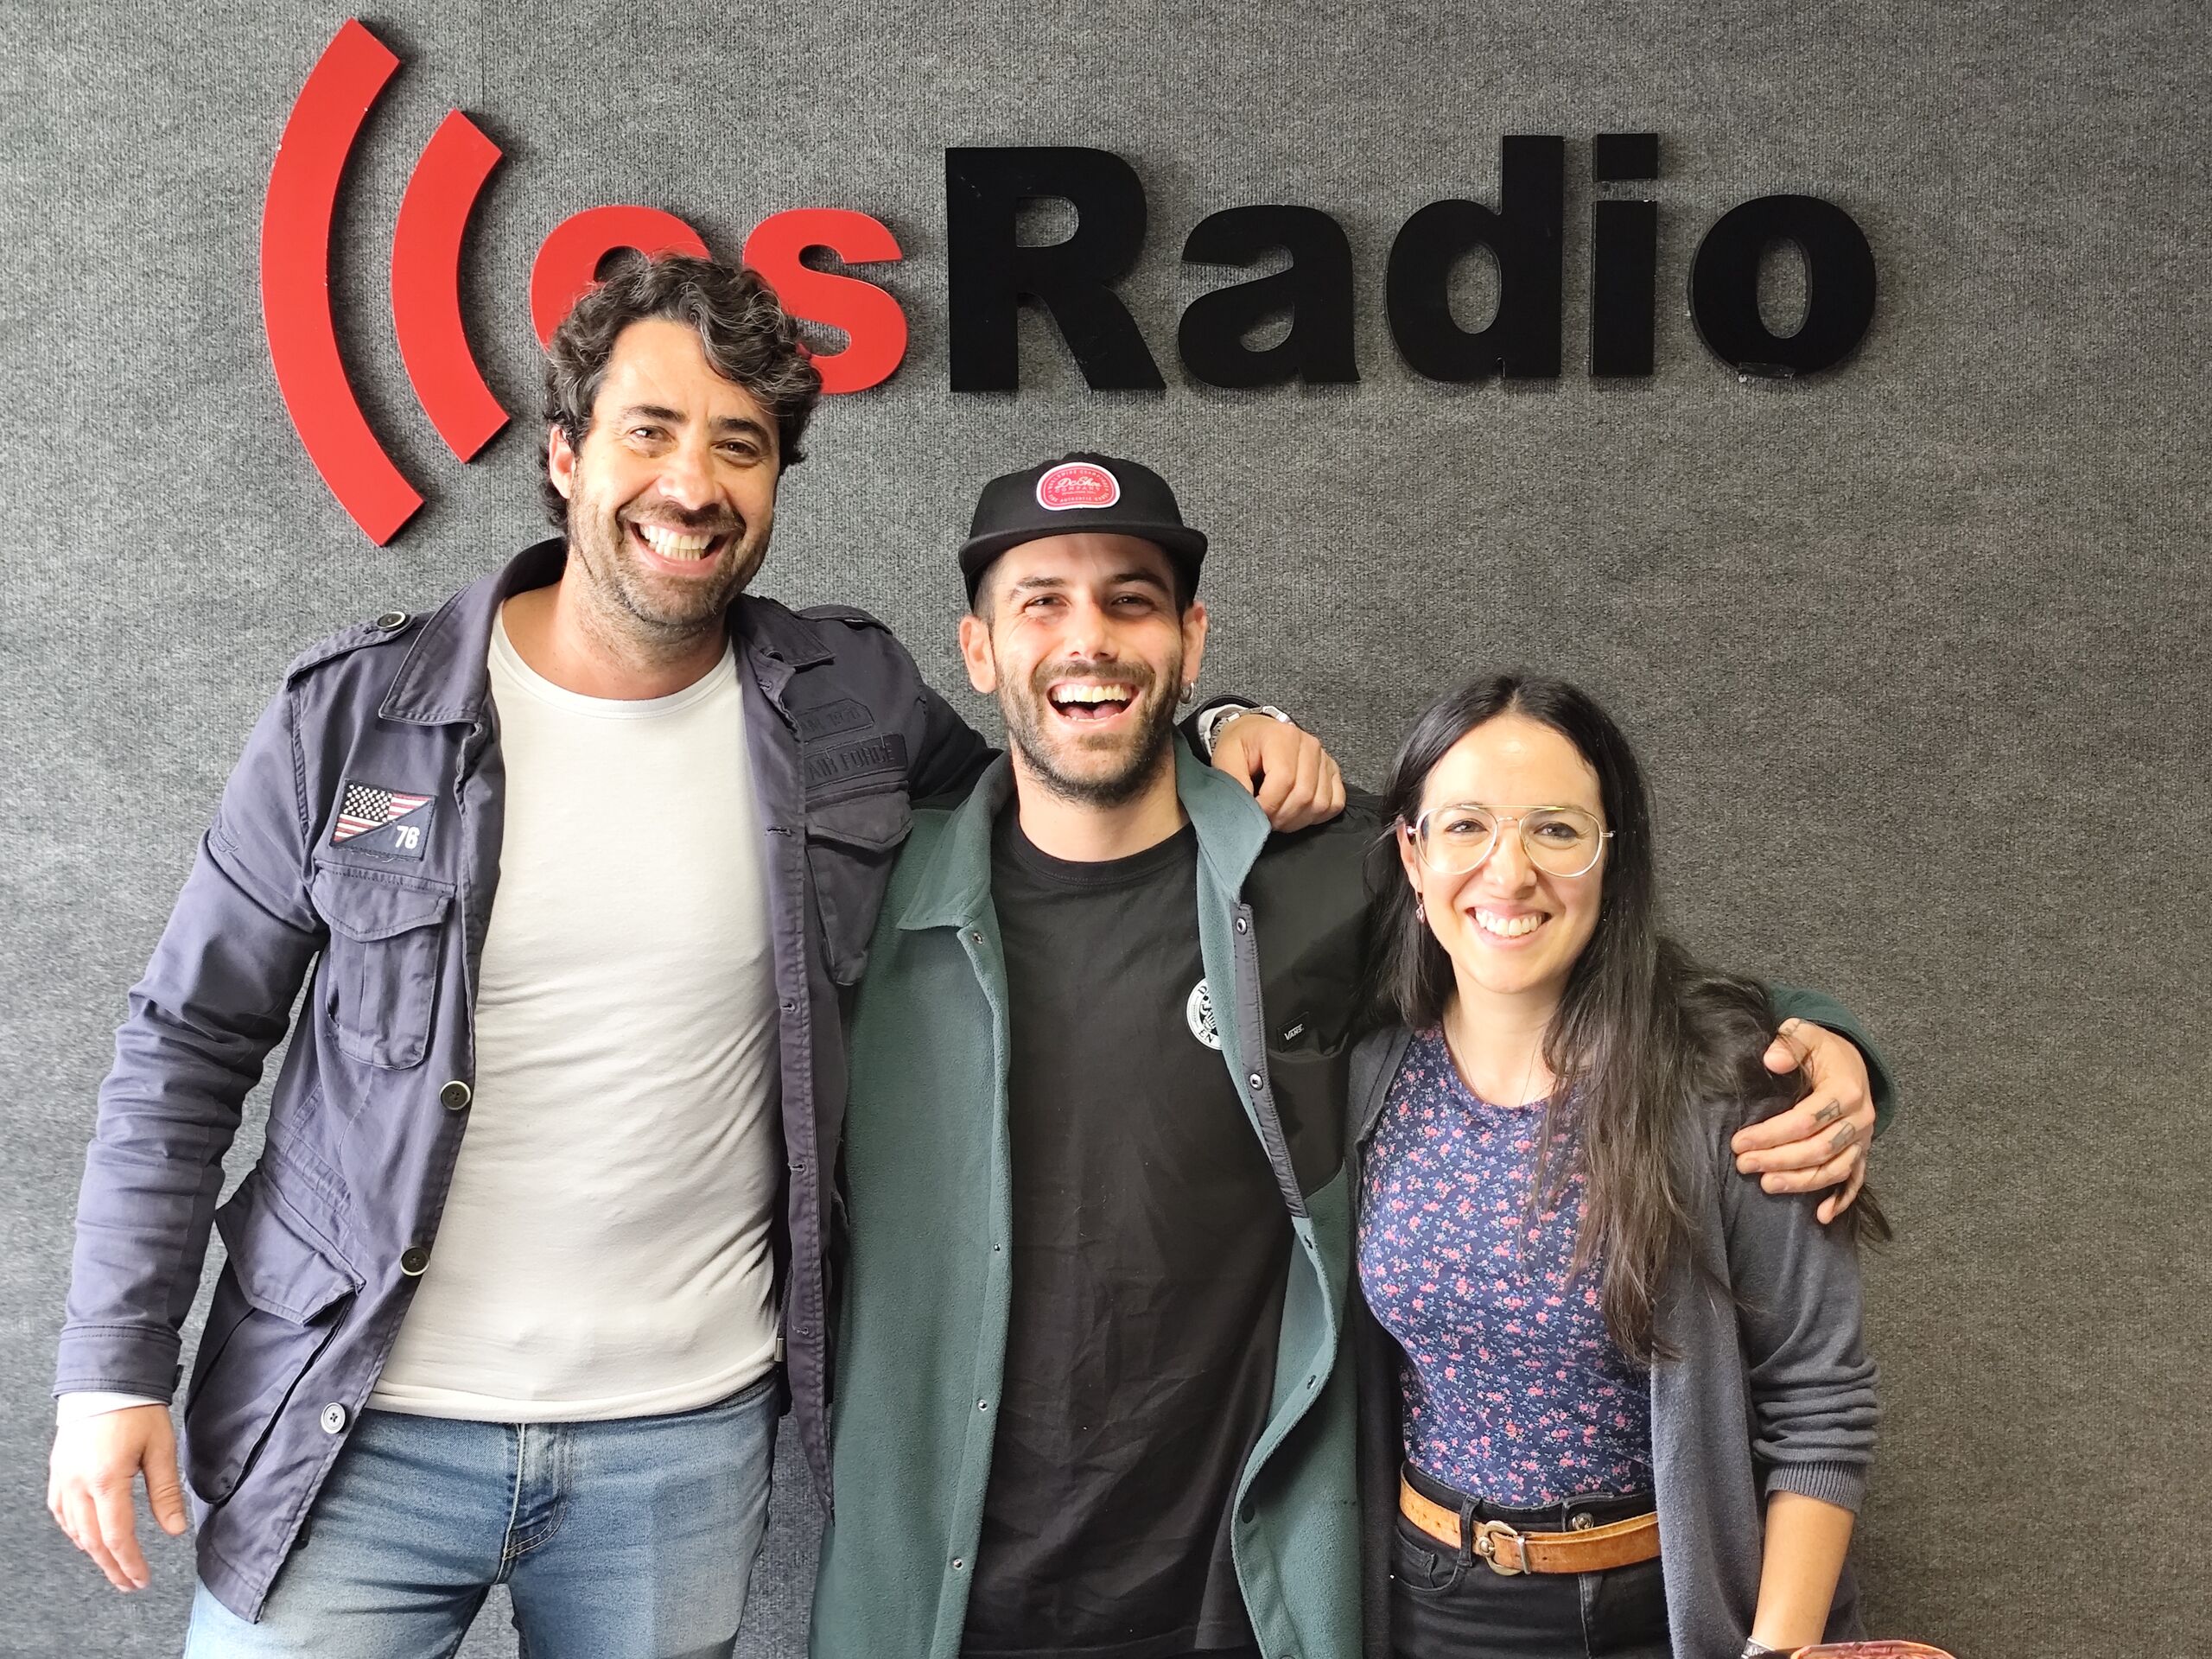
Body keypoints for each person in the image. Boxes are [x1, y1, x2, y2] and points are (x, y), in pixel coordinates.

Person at [42, 257, 1338, 1658]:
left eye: (740, 445)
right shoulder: (361, 717)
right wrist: (113, 1369)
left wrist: (1221, 731)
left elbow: (1053, 787)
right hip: (355, 1426)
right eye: (650, 431)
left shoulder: (848, 705)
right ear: (566, 455)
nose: (693, 483)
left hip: (678, 1449)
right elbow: (185, 1043)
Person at [810, 457, 1891, 1659]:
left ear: (1191, 640)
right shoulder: (872, 900)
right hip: (954, 1594)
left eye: (1130, 600)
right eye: (1041, 602)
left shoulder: (1326, 874)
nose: (1088, 638)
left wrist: (1821, 1042)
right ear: (976, 650)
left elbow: (1545, 929)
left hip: (1244, 1596)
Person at [1351, 675, 1889, 1659]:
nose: (1509, 871)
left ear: (1612, 857)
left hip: (1681, 1611)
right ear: (1413, 857)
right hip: (1433, 1604)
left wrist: (1772, 1653)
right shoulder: (1364, 1078)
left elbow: (1820, 1402)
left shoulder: (1731, 1083)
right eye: (1465, 826)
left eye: (1555, 830)